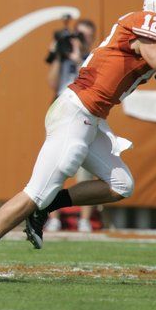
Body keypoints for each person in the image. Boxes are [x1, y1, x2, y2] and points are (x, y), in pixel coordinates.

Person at [0, 0, 156, 283]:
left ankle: (48, 206)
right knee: (35, 191)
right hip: (76, 112)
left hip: (91, 118)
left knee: (120, 185)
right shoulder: (149, 23)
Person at [44, 18, 98, 233]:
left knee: (87, 170)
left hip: (85, 114)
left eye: (84, 36)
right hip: (62, 113)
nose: (79, 40)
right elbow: (52, 83)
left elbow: (94, 85)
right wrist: (59, 55)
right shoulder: (65, 58)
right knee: (56, 166)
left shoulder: (94, 57)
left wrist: (78, 59)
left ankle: (85, 219)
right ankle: (53, 217)